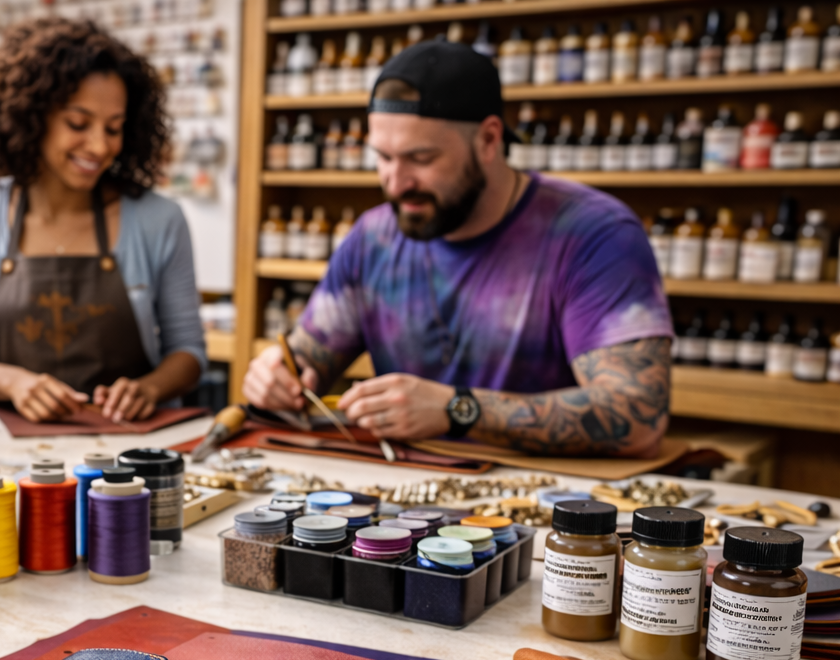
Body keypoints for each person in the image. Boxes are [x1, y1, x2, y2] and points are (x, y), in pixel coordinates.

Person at [243, 40, 674, 457]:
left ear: (489, 140)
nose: (396, 182)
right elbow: (303, 363)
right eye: (383, 157)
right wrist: (275, 378)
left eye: (421, 158)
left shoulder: (593, 233)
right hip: (404, 493)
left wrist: (457, 410)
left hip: (542, 502)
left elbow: (637, 418)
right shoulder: (373, 237)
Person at [0, 18, 206, 423]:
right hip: (11, 449)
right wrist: (13, 383)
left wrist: (150, 388)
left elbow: (189, 352)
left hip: (133, 445)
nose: (99, 145)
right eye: (78, 124)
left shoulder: (159, 219)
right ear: (32, 116)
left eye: (114, 129)